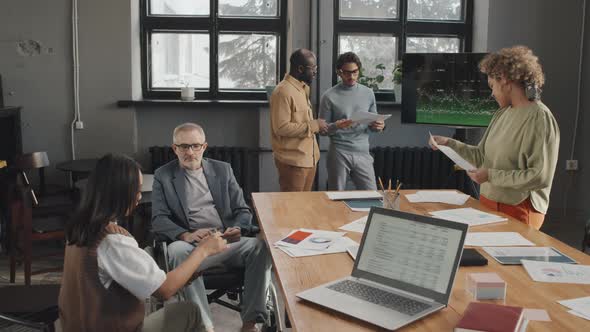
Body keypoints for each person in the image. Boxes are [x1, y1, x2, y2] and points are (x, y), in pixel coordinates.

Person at [59, 153, 228, 332]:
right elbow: (164, 291)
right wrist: (202, 251)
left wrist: (189, 271)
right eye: (137, 190)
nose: (139, 197)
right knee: (189, 310)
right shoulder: (112, 241)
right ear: (120, 191)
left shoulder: (80, 229)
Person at [151, 122, 272, 332]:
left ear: (204, 147)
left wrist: (237, 228)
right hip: (191, 245)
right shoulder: (163, 175)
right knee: (177, 251)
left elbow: (242, 210)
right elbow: (158, 219)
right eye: (184, 146)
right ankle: (204, 326)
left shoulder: (222, 170)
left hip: (224, 240)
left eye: (195, 146)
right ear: (175, 148)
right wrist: (186, 235)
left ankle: (250, 324)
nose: (190, 152)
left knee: (260, 248)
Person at [430, 46, 559, 230]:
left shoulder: (539, 117)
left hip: (519, 208)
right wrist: (449, 144)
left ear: (505, 80)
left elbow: (539, 176)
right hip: (487, 202)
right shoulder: (502, 113)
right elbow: (481, 157)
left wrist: (490, 175)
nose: (492, 93)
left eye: (492, 86)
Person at [319, 52, 385, 190]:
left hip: (363, 151)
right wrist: (336, 126)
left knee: (371, 196)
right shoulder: (329, 96)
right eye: (347, 73)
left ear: (359, 71)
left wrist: (379, 125)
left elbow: (373, 123)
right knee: (336, 198)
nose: (351, 77)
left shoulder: (368, 93)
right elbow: (322, 130)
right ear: (339, 72)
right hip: (338, 152)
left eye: (355, 72)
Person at [270, 48, 328, 191]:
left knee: (303, 206)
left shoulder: (302, 88)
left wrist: (321, 126)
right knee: (292, 209)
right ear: (300, 68)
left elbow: (301, 122)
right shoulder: (283, 92)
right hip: (293, 162)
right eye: (313, 68)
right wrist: (314, 125)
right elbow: (281, 127)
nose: (315, 72)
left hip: (309, 160)